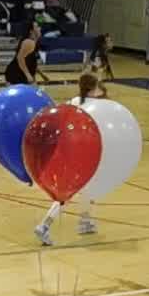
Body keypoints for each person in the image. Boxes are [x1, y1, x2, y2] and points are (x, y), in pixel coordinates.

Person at [34, 72, 108, 247]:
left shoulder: (73, 102)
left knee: (87, 187)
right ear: (91, 89)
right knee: (67, 193)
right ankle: (45, 225)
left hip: (68, 151)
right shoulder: (95, 107)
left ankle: (85, 220)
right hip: (83, 154)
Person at [5, 21, 46, 86]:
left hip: (22, 73)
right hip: (16, 74)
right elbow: (19, 58)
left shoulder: (35, 42)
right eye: (37, 27)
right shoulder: (29, 42)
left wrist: (42, 74)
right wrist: (28, 75)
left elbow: (31, 62)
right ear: (31, 31)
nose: (39, 28)